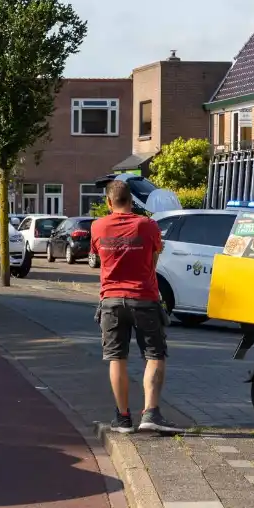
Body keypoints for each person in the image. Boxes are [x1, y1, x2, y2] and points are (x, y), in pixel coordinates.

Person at [91, 180, 182, 434]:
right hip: (144, 298)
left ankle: (122, 419)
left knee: (116, 358)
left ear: (109, 203)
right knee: (154, 354)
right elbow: (154, 258)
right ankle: (150, 413)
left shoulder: (98, 226)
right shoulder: (148, 225)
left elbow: (100, 258)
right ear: (132, 201)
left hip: (110, 301)